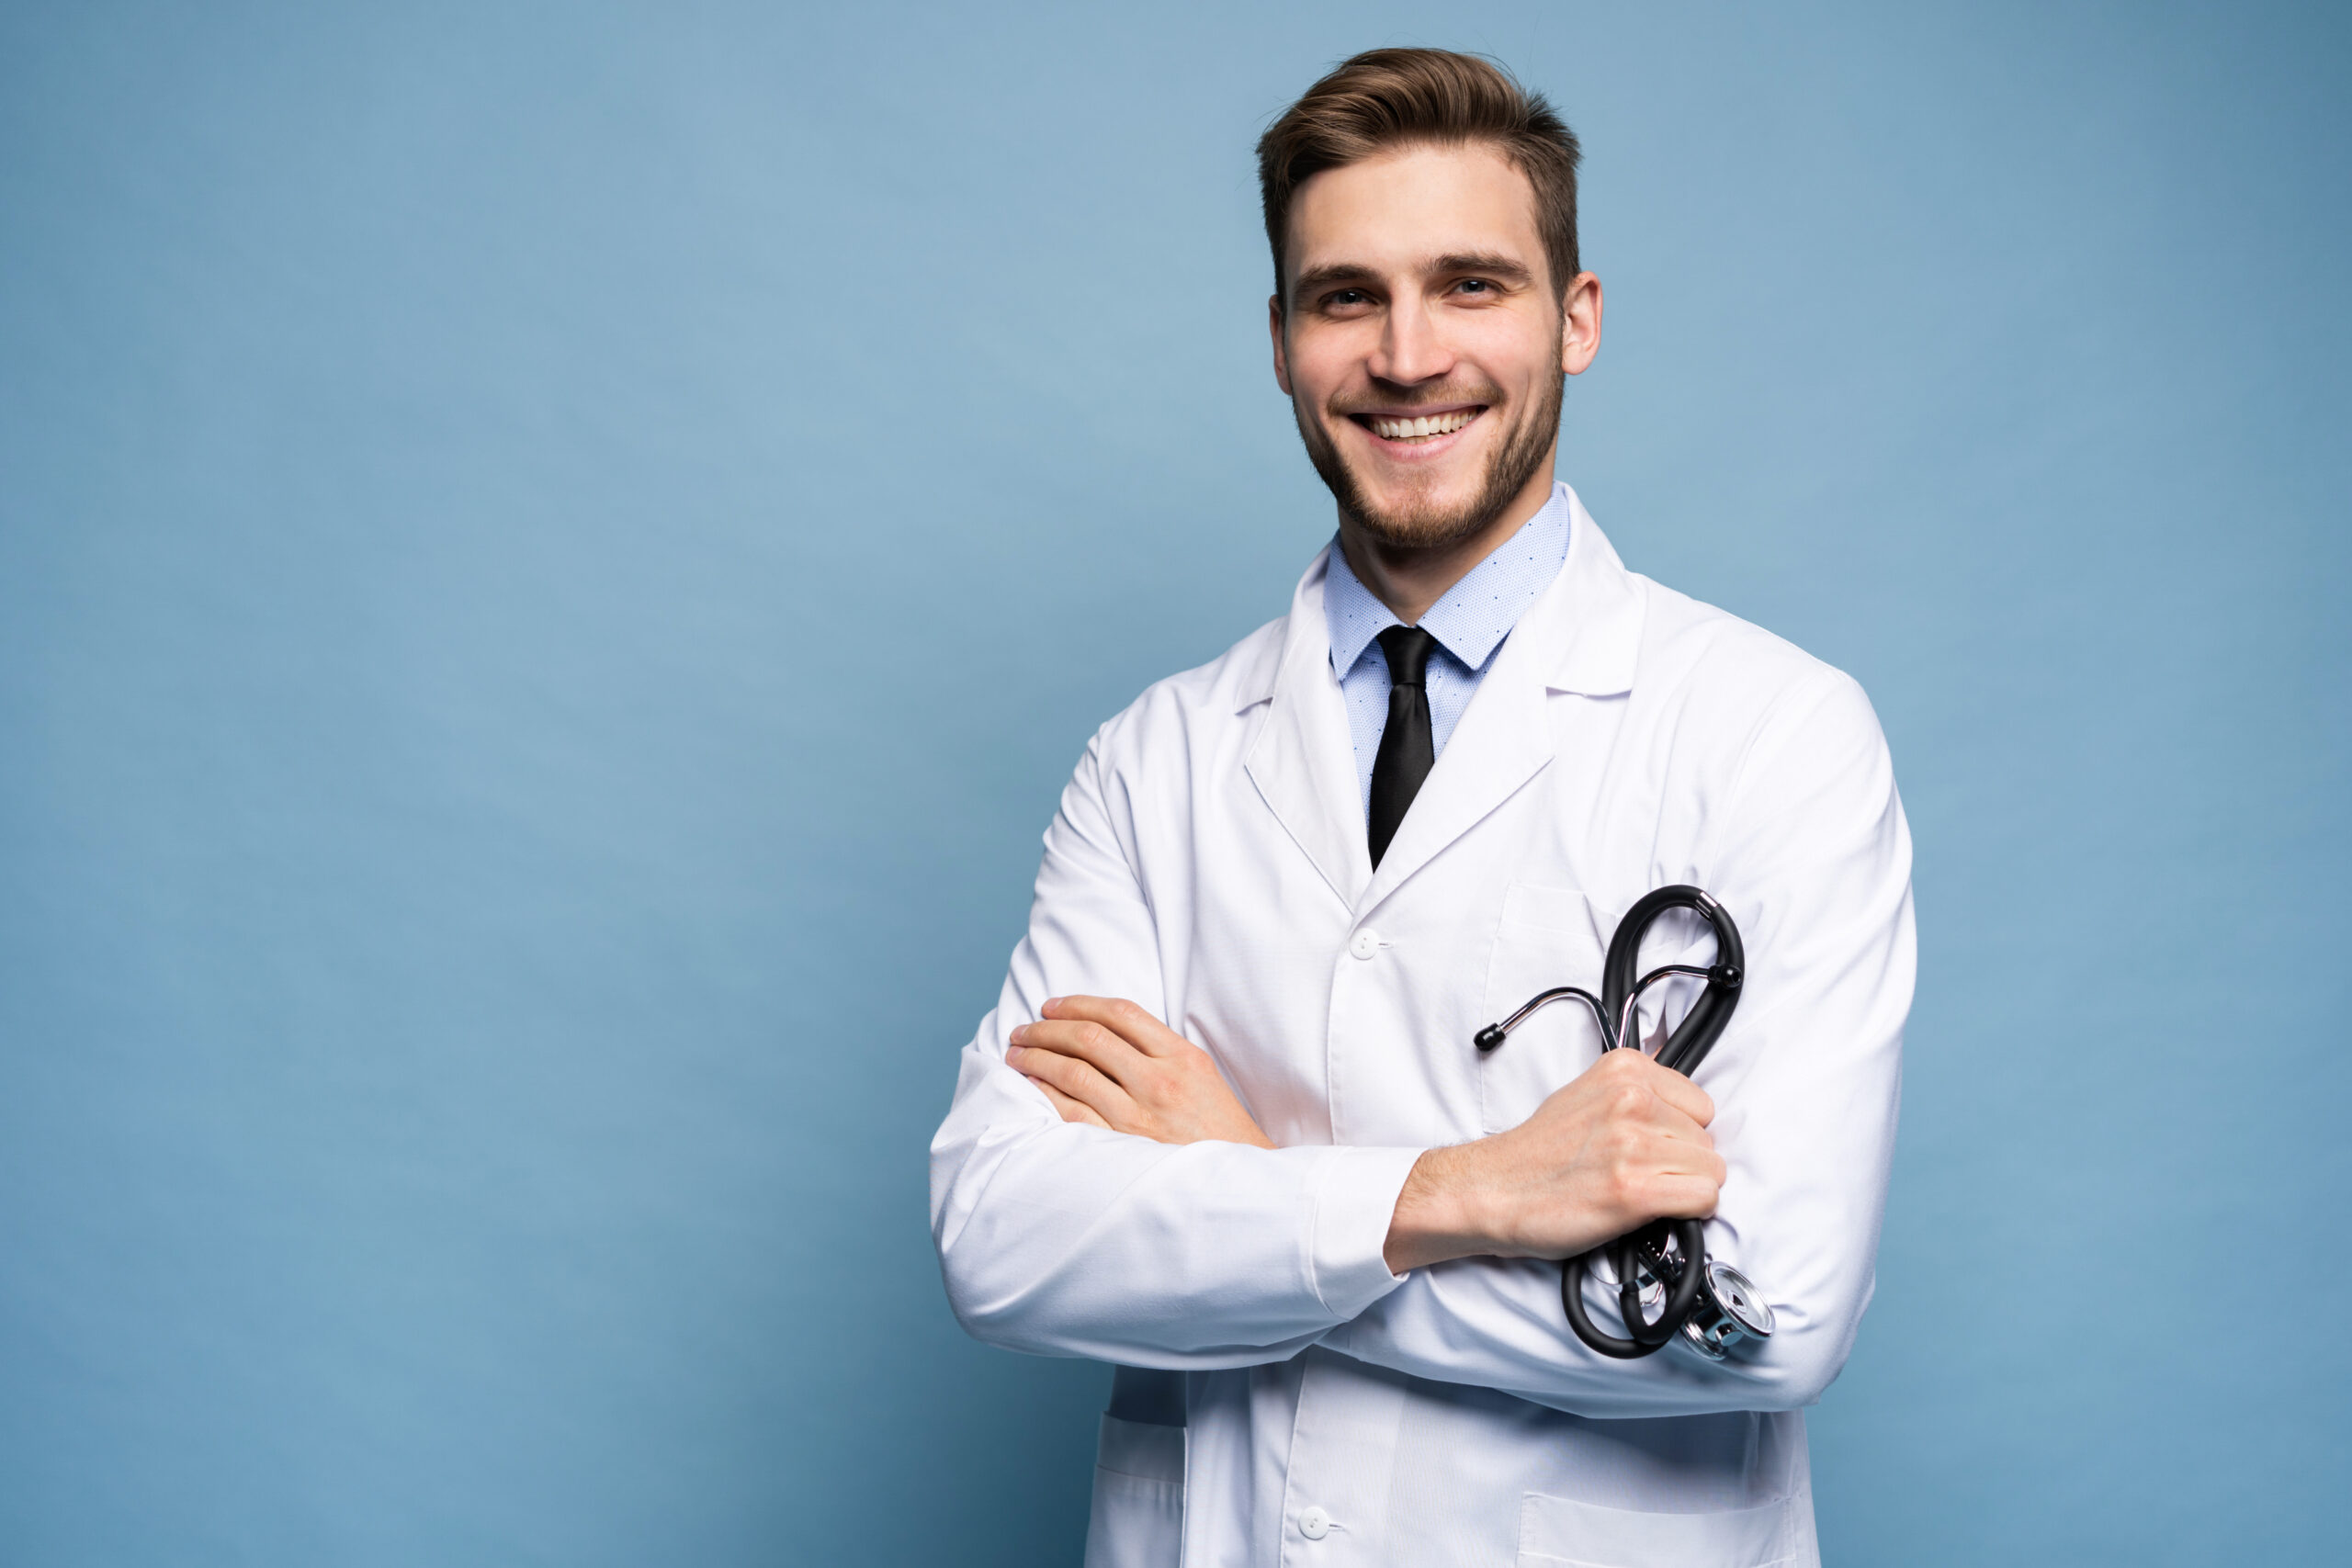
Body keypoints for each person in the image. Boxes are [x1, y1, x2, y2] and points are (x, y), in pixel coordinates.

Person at [929, 47, 1912, 1568]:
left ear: (1574, 320)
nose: (1405, 354)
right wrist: (1472, 1194)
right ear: (1278, 341)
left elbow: (1766, 1314)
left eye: (1470, 285)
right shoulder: (1158, 761)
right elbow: (1003, 1242)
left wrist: (1251, 1196)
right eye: (1345, 297)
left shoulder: (1776, 734)